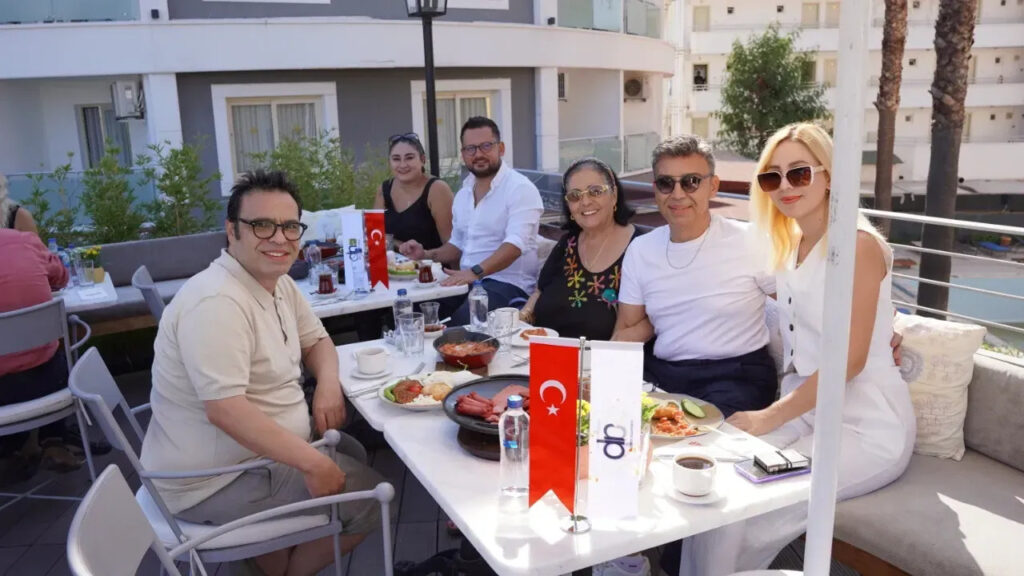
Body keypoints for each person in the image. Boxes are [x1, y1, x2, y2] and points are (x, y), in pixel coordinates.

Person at [679, 123, 916, 575]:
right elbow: (797, 312)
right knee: (717, 485)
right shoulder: (790, 244)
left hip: (865, 425)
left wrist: (769, 416)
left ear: (829, 175)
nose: (785, 186)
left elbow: (850, 360)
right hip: (807, 411)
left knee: (752, 508)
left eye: (800, 173)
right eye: (773, 177)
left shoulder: (858, 245)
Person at [140, 170, 383, 576]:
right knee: (371, 497)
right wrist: (312, 463)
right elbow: (226, 410)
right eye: (262, 225)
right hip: (213, 481)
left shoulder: (275, 281)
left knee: (353, 451)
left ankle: (269, 563)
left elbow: (317, 341)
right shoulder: (217, 302)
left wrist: (327, 385)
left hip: (253, 457)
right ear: (231, 231)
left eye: (290, 226)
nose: (279, 238)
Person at [614, 135, 778, 418]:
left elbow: (800, 307)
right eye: (666, 183)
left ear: (713, 186)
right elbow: (625, 333)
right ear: (656, 189)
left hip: (736, 375)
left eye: (691, 182)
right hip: (663, 373)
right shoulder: (641, 250)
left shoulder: (751, 240)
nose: (677, 194)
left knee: (694, 434)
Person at [399, 117, 544, 325]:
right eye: (471, 149)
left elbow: (515, 245)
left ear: (501, 148)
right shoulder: (464, 193)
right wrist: (426, 255)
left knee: (460, 324)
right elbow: (456, 245)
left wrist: (474, 272)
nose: (478, 154)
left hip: (508, 286)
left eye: (486, 146)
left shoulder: (520, 189)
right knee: (414, 313)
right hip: (468, 284)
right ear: (463, 154)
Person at [519, 157, 641, 340]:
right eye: (575, 196)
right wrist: (520, 322)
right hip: (541, 352)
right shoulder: (567, 243)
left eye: (595, 191)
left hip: (600, 356)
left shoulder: (639, 248)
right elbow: (539, 292)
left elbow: (644, 323)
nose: (585, 202)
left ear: (614, 194)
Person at [0, 228, 80, 477]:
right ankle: (53, 440)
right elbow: (61, 277)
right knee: (52, 356)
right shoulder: (24, 241)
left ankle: (9, 453)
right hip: (49, 384)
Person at [373, 132, 454, 252]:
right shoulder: (384, 189)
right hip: (394, 263)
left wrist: (424, 255)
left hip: (431, 262)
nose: (403, 165)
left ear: (422, 159)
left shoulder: (437, 189)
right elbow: (375, 235)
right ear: (389, 162)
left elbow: (453, 247)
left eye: (409, 158)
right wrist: (400, 245)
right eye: (396, 159)